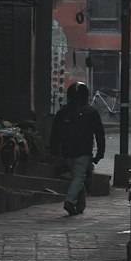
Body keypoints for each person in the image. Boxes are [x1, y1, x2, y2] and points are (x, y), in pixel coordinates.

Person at [49, 81, 105, 216]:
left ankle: (80, 206)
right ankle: (69, 201)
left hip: (67, 151)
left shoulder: (62, 112)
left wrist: (54, 150)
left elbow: (54, 133)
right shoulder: (91, 112)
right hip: (84, 151)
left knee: (77, 176)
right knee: (79, 177)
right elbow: (100, 134)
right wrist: (100, 153)